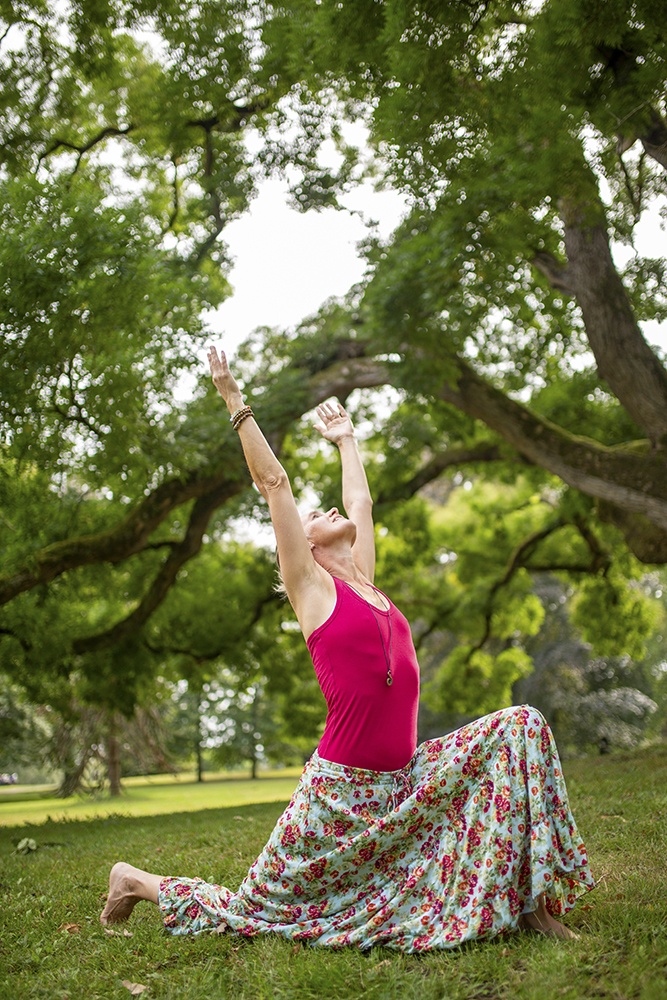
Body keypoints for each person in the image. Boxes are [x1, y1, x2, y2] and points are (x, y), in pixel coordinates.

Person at [100, 346, 594, 950]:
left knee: (520, 728)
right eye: (315, 514)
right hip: (339, 795)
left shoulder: (364, 579)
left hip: (404, 782)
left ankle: (533, 903)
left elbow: (359, 504)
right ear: (302, 547)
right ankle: (137, 881)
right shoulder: (312, 590)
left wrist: (347, 440)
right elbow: (274, 482)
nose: (328, 509)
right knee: (263, 913)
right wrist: (234, 399)